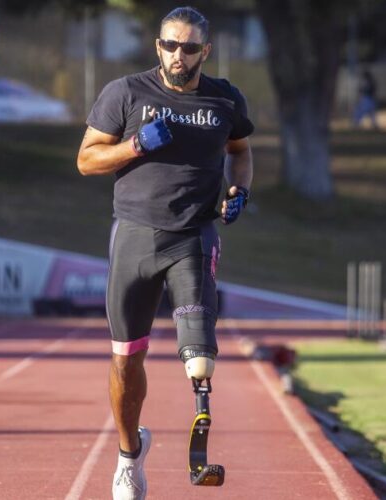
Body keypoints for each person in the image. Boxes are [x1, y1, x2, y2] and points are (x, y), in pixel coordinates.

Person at [76, 6, 254, 499]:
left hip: (194, 237)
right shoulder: (126, 93)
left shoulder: (224, 100)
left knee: (199, 360)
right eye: (171, 45)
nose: (180, 55)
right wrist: (135, 145)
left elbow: (240, 151)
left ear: (205, 51)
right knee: (125, 360)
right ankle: (130, 455)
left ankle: (199, 431)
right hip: (134, 236)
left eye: (191, 47)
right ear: (158, 47)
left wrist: (237, 191)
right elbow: (87, 159)